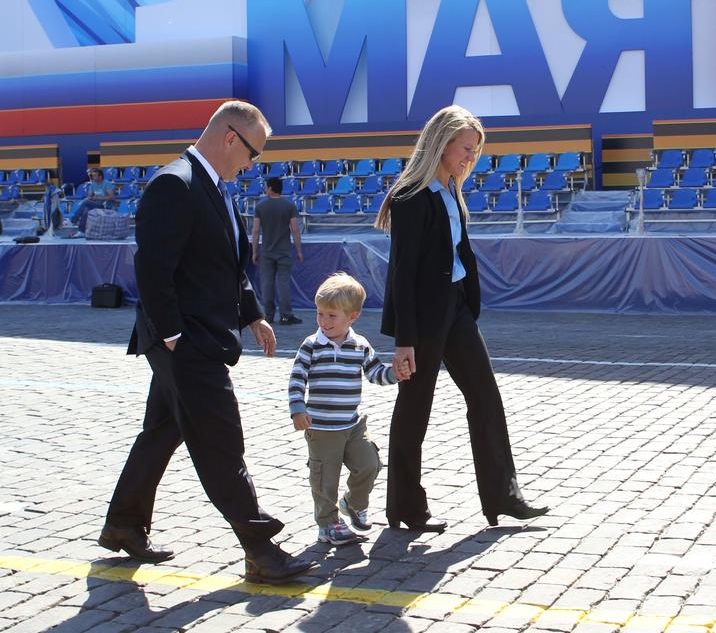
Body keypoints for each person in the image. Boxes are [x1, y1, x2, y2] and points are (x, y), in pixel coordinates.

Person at [99, 101, 314, 584]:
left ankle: (123, 526)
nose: (253, 165)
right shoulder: (173, 184)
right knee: (220, 438)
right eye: (254, 153)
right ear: (231, 138)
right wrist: (173, 335)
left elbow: (225, 266)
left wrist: (254, 314)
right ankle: (260, 548)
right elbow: (153, 269)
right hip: (185, 339)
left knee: (161, 432)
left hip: (196, 335)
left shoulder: (215, 188)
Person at [377, 104, 548, 529]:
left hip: (455, 310)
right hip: (423, 317)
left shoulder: (451, 190)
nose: (471, 157)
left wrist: (467, 303)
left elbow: (456, 253)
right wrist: (404, 340)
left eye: (475, 150)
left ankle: (503, 497)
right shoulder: (411, 198)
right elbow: (403, 272)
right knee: (416, 407)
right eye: (466, 148)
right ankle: (405, 508)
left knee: (486, 397)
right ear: (442, 142)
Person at [288, 272, 400, 545]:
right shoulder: (311, 346)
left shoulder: (360, 345)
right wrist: (298, 408)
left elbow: (375, 374)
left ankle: (354, 503)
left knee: (369, 464)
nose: (324, 322)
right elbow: (297, 378)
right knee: (325, 479)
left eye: (331, 316)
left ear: (352, 317)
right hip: (322, 428)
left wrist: (396, 373)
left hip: (352, 424)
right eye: (320, 314)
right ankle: (328, 524)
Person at [252, 177, 305, 326]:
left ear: (270, 188)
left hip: (267, 252)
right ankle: (286, 316)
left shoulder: (260, 207)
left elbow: (255, 231)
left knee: (267, 284)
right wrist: (299, 250)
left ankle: (268, 315)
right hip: (284, 252)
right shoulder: (289, 206)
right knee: (283, 283)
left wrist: (254, 252)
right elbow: (295, 229)